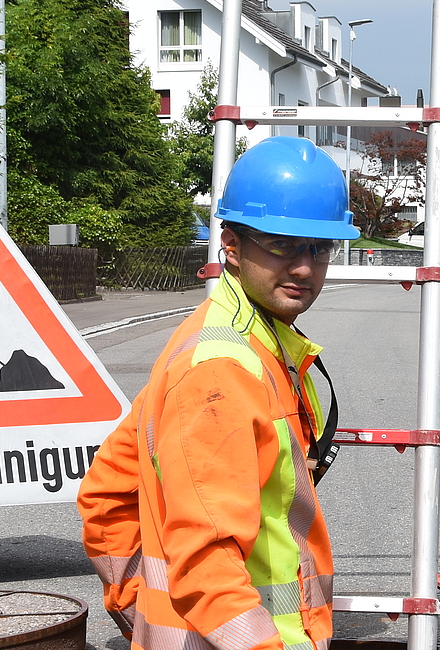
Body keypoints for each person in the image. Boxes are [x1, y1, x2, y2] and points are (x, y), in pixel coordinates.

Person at [78, 137, 358, 650]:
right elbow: (206, 558)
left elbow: (107, 490)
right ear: (230, 243)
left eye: (319, 248)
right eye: (280, 243)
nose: (303, 267)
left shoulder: (242, 336)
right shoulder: (222, 370)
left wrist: (138, 599)